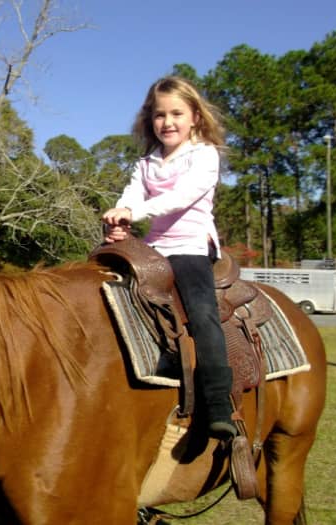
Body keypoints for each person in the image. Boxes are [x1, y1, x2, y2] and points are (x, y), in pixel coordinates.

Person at [102, 76, 237, 440]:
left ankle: (219, 403)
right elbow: (131, 194)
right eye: (160, 115)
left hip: (191, 246)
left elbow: (183, 195)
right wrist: (119, 215)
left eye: (177, 113)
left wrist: (135, 212)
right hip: (155, 247)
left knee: (202, 312)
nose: (168, 122)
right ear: (150, 120)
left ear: (195, 116)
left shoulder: (204, 155)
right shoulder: (146, 163)